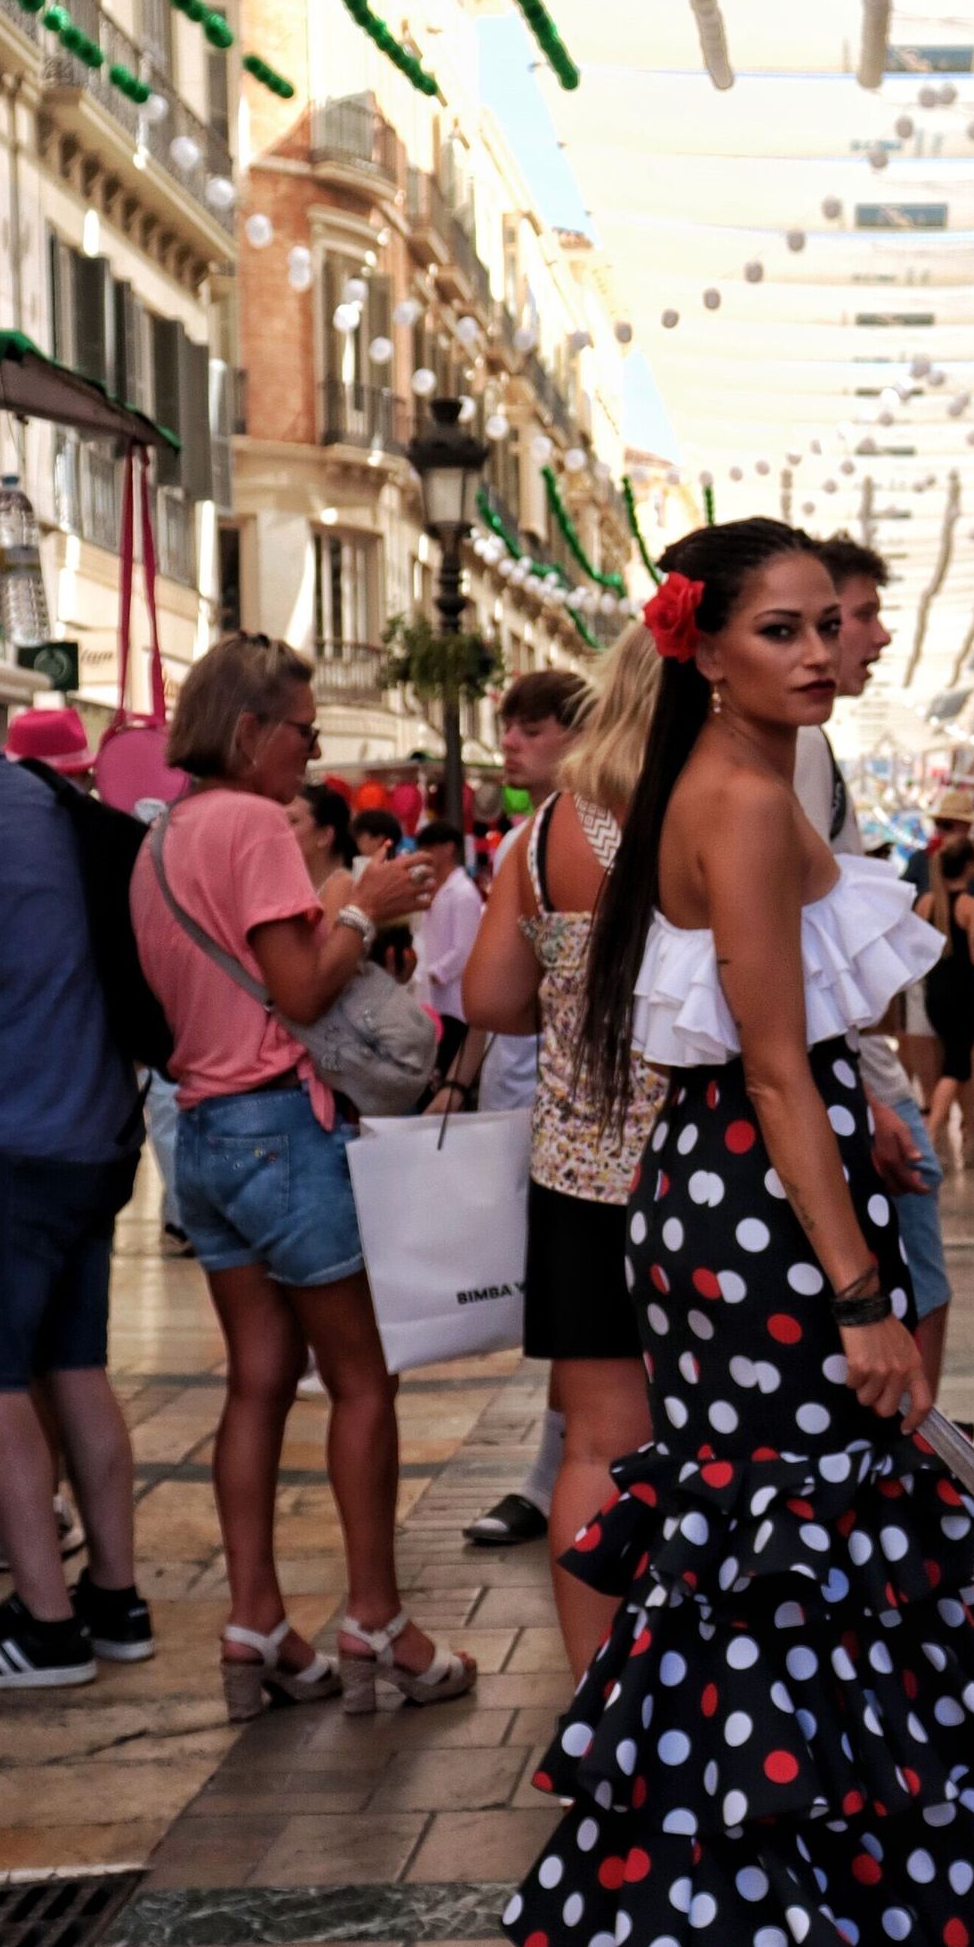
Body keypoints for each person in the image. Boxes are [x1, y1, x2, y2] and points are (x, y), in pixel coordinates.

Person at [501, 517, 974, 1947]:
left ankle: (794, 1887)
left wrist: (865, 1118)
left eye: (830, 622)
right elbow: (771, 1064)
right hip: (758, 1213)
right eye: (782, 628)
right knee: (791, 1540)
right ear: (701, 647)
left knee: (776, 1544)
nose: (824, 650)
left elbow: (778, 1032)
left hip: (726, 1186)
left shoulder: (723, 779)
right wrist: (861, 1299)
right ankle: (765, 1905)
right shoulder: (743, 796)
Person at [130, 634, 475, 1721]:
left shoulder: (164, 835)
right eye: (303, 733)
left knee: (257, 1381)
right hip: (281, 1126)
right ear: (250, 731)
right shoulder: (250, 825)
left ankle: (256, 1620)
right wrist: (366, 904)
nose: (311, 755)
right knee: (362, 1379)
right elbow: (301, 989)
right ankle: (378, 1620)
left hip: (205, 1135)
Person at [462, 627, 667, 1675]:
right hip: (708, 1178)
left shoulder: (543, 835)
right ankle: (703, 1686)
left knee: (593, 1442)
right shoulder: (714, 810)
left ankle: (597, 1687)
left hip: (579, 1176)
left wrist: (569, 978)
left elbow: (491, 999)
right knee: (722, 1439)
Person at [0, 691, 151, 1690]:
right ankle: (116, 1599)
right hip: (94, 1132)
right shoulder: (40, 798)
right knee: (75, 1366)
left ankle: (46, 1622)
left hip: (0, 1143)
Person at [792, 534, 954, 1402]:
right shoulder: (798, 748)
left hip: (848, 1076)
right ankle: (910, 1466)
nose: (879, 636)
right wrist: (864, 1099)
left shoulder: (800, 748)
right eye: (857, 616)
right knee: (914, 1301)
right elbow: (801, 946)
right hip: (849, 1079)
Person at [464, 666, 592, 1549]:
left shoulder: (563, 836)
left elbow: (493, 994)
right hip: (542, 1103)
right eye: (507, 726)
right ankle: (563, 1472)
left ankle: (562, 1476)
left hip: (583, 1123)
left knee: (586, 1325)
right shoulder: (528, 838)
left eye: (532, 729)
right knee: (575, 1319)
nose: (509, 743)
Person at [916, 837, 974, 1160]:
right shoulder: (971, 906)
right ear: (970, 866)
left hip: (934, 991)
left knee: (956, 1060)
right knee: (956, 1064)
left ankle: (972, 1130)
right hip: (964, 993)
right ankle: (930, 1134)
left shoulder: (926, 903)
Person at [413, 819, 482, 1091]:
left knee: (447, 1072)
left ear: (449, 848)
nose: (424, 855)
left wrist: (433, 974)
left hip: (452, 999)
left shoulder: (463, 893)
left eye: (430, 848)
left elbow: (464, 950)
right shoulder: (433, 887)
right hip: (430, 995)